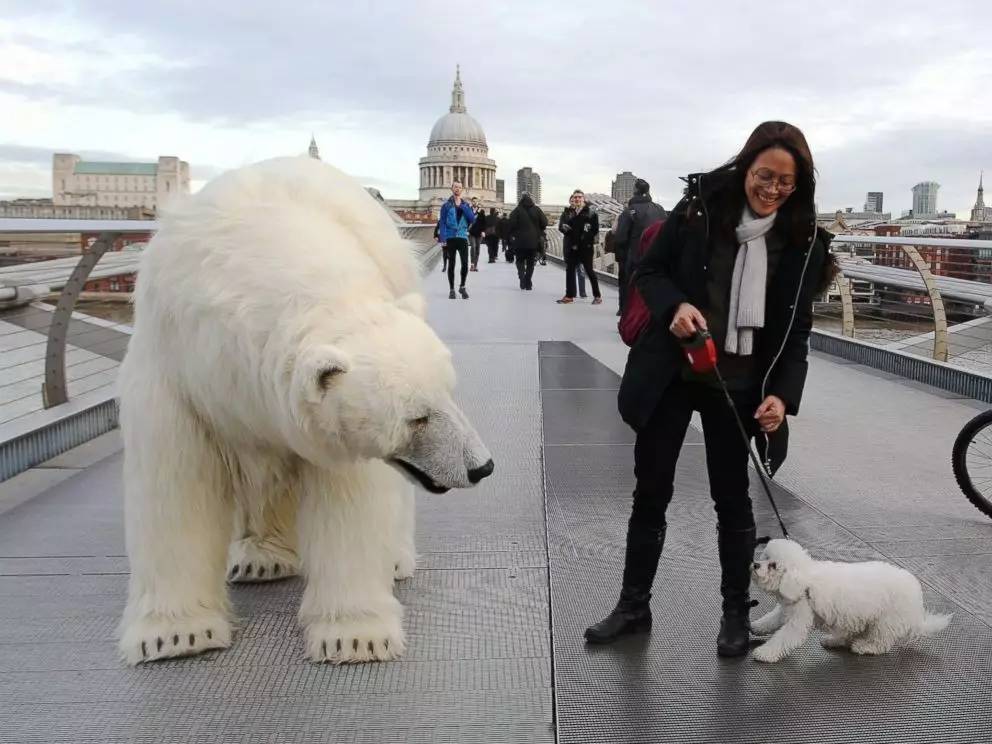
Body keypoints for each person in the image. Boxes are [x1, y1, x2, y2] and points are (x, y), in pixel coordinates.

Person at [584, 121, 838, 657]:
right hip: (674, 372)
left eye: (785, 183)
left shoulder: (803, 241)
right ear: (746, 166)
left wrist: (782, 397)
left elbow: (796, 332)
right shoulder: (699, 209)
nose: (771, 190)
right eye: (764, 176)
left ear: (801, 185)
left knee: (732, 498)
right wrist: (675, 306)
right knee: (651, 490)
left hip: (741, 382)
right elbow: (648, 273)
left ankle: (734, 613)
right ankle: (633, 605)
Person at [614, 178, 666, 315]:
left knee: (628, 286)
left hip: (634, 258)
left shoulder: (629, 212)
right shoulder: (660, 210)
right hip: (657, 257)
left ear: (635, 191)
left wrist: (621, 257)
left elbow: (621, 238)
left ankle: (625, 312)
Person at [557, 190, 602, 304]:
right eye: (575, 197)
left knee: (589, 270)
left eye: (579, 197)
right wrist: (565, 228)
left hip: (585, 247)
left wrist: (586, 236)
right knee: (570, 270)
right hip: (573, 246)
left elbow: (595, 229)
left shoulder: (591, 213)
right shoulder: (571, 212)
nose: (577, 199)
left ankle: (597, 296)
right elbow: (564, 227)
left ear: (583, 199)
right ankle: (569, 296)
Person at [438, 181, 475, 299]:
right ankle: (452, 289)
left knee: (465, 263)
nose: (457, 189)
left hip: (462, 236)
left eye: (459, 187)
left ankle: (462, 286)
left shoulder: (466, 205)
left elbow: (472, 219)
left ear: (462, 190)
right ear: (452, 189)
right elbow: (442, 222)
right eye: (455, 187)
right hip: (450, 237)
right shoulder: (446, 206)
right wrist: (442, 238)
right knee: (451, 264)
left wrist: (465, 208)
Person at [506, 192, 547, 291]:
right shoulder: (537, 210)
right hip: (533, 241)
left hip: (519, 241)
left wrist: (512, 236)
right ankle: (528, 282)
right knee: (530, 263)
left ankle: (522, 278)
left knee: (519, 261)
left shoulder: (516, 210)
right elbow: (545, 222)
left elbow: (510, 225)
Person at [468, 197, 485, 271]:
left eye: (475, 201)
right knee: (473, 247)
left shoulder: (481, 211)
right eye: (473, 201)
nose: (474, 203)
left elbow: (484, 222)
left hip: (479, 233)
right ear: (471, 202)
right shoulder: (468, 210)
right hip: (471, 232)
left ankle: (475, 265)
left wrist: (483, 231)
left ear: (477, 202)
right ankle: (472, 264)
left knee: (478, 249)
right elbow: (466, 220)